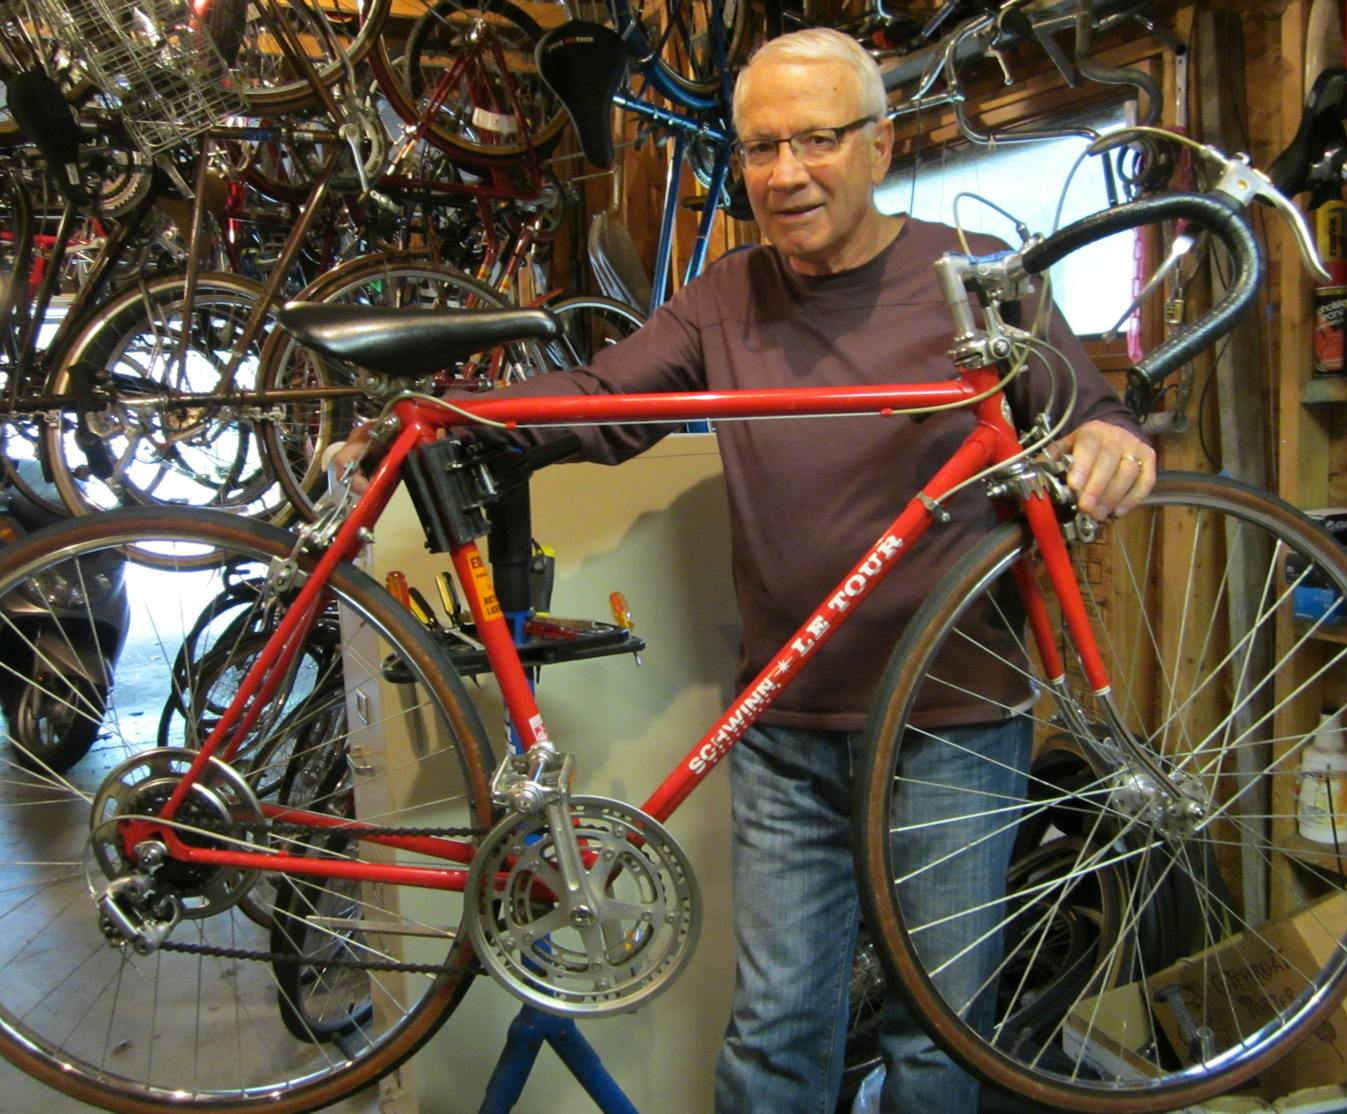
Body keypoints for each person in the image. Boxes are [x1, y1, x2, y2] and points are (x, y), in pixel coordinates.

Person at [335, 26, 1155, 1113]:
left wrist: (1111, 441)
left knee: (938, 1036)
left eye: (813, 140)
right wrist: (446, 418)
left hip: (954, 718)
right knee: (776, 1029)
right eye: (760, 148)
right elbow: (603, 401)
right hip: (788, 720)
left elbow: (1087, 412)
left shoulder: (971, 283)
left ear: (878, 144)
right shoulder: (728, 294)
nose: (784, 173)